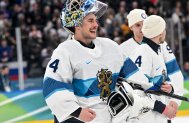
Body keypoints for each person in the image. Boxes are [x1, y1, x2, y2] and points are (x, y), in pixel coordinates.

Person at [42, 1, 176, 123]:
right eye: (90, 20)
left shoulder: (110, 47)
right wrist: (77, 112)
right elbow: (52, 87)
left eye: (95, 20)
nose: (96, 24)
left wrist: (162, 91)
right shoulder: (65, 52)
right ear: (76, 24)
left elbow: (137, 78)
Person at [121, 14, 184, 123]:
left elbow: (155, 81)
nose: (165, 32)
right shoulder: (143, 52)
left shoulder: (156, 50)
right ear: (160, 32)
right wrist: (162, 108)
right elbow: (136, 89)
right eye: (164, 29)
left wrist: (170, 88)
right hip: (147, 118)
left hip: (158, 116)